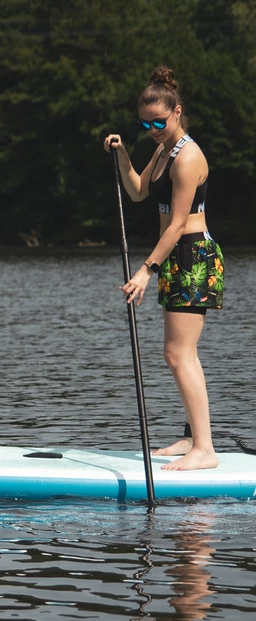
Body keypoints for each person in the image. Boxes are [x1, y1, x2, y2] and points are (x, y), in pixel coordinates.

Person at [104, 65, 224, 471]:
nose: (152, 128)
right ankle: (192, 436)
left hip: (192, 255)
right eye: (145, 123)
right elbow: (138, 191)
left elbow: (176, 223)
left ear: (177, 112)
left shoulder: (188, 157)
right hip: (175, 255)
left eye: (159, 121)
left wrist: (145, 270)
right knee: (179, 352)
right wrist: (121, 154)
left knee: (177, 353)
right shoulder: (162, 149)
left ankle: (204, 449)